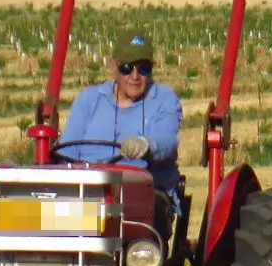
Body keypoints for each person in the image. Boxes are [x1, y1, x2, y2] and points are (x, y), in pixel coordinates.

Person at [59, 30, 183, 195]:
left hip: (146, 192)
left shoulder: (164, 99)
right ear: (113, 65)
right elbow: (68, 151)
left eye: (143, 69)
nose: (135, 76)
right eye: (127, 68)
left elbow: (167, 139)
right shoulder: (89, 99)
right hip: (90, 190)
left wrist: (146, 145)